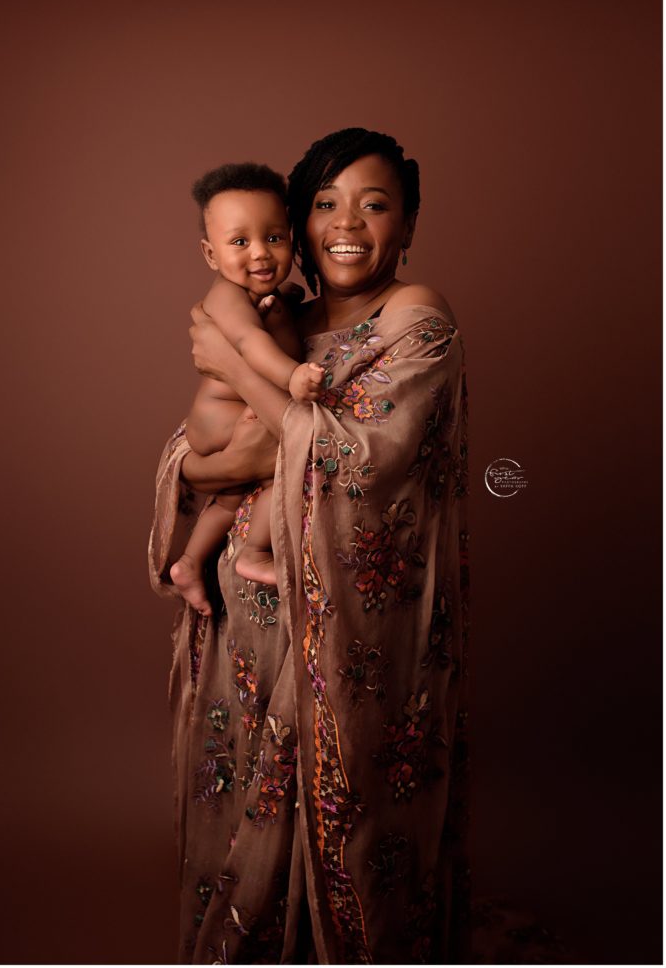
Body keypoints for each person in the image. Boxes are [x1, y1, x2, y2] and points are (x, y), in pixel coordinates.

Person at [149, 128, 472, 964]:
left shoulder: (417, 323)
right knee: (242, 820)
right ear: (297, 223)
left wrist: (233, 361)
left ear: (408, 223)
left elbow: (347, 460)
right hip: (241, 628)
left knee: (350, 830)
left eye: (374, 205)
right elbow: (207, 456)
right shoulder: (282, 316)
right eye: (325, 204)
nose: (347, 224)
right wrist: (243, 418)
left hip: (345, 645)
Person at [169, 162, 325, 614]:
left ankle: (190, 562)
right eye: (240, 242)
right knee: (287, 469)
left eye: (273, 238)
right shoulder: (226, 296)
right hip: (222, 420)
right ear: (210, 254)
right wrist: (291, 377)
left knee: (231, 497)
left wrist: (284, 305)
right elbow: (248, 343)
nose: (260, 253)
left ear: (292, 239)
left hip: (229, 421)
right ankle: (255, 553)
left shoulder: (267, 293)